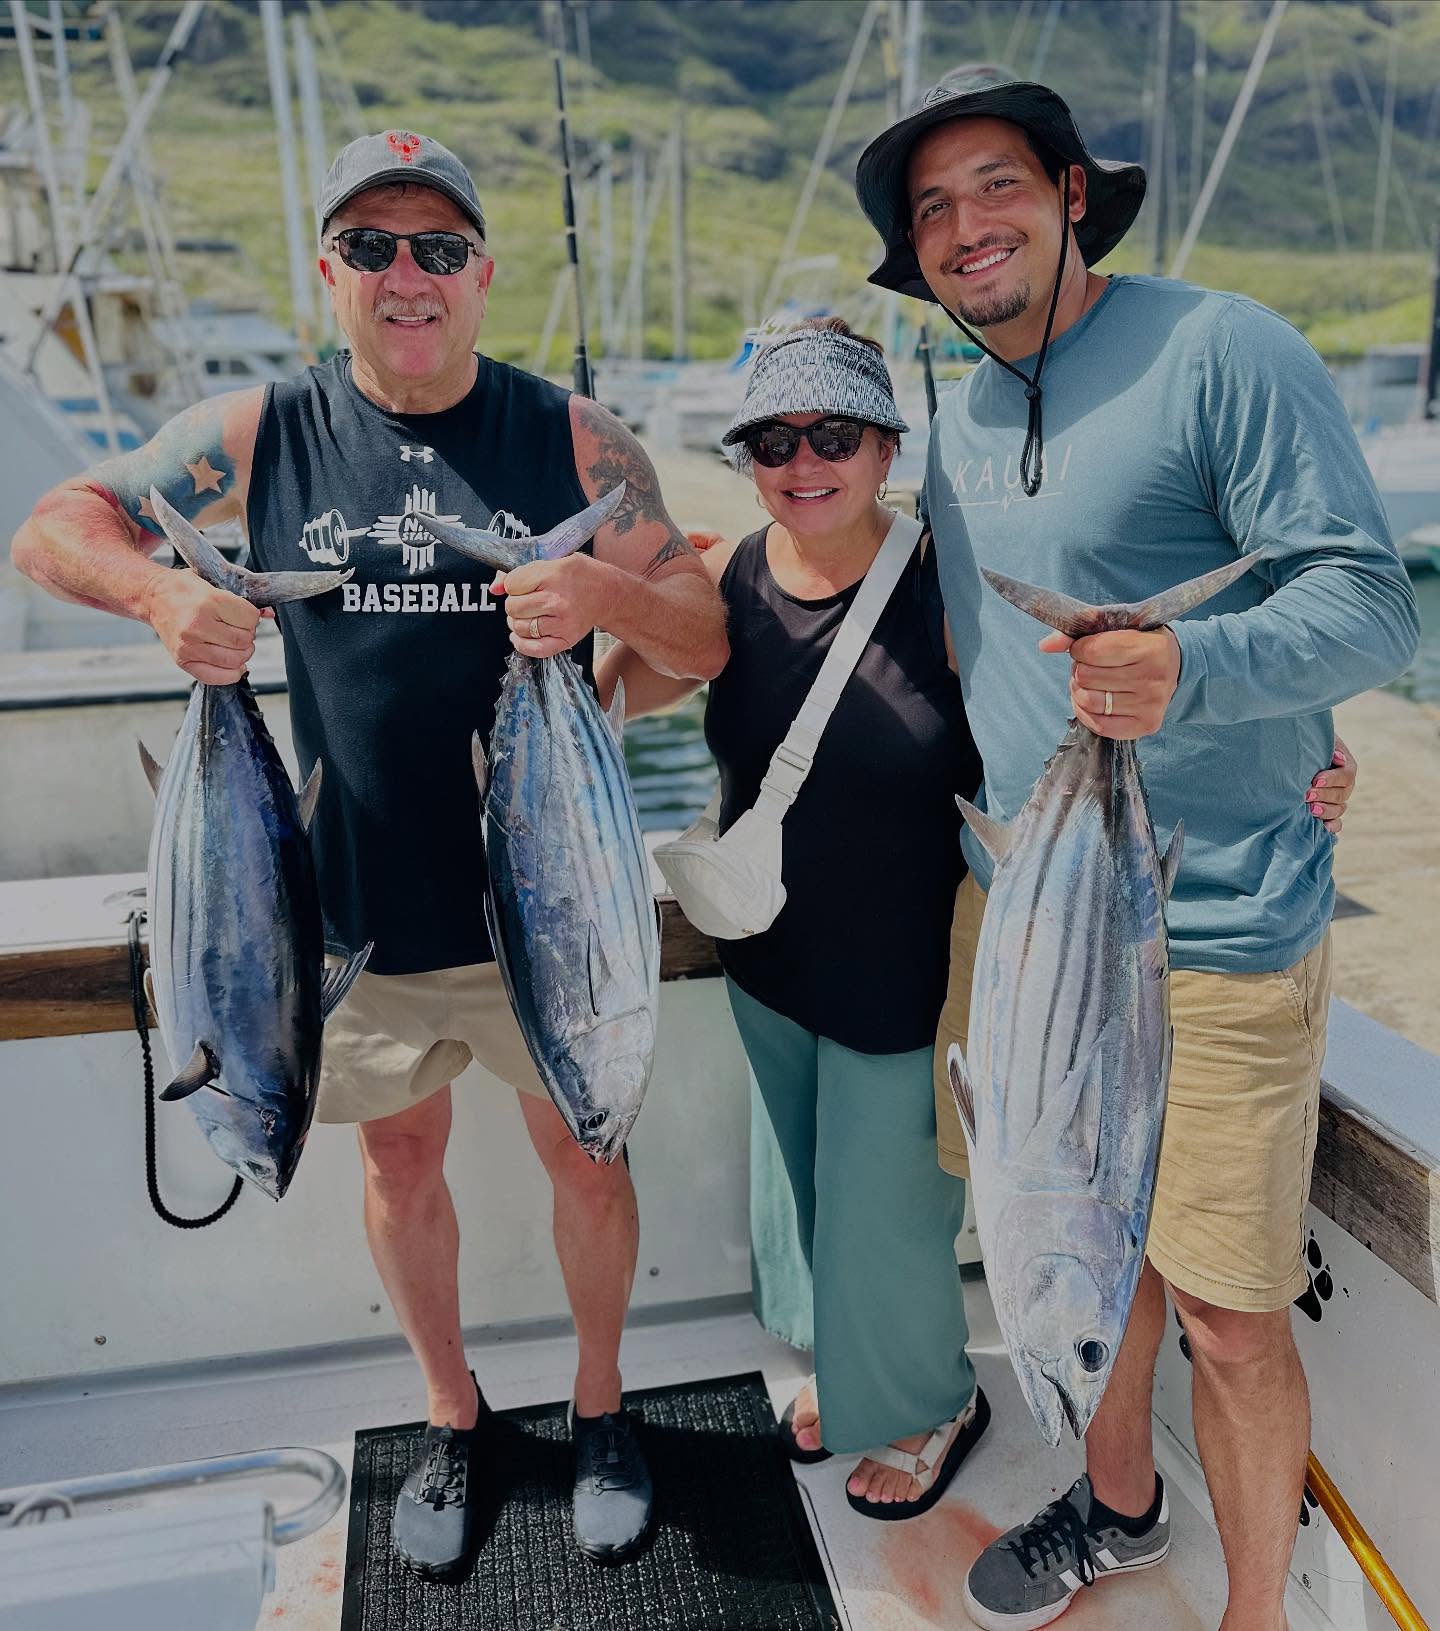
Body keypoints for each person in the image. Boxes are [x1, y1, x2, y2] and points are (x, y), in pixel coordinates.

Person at [12, 129, 726, 1578]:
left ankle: (599, 1407)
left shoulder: (577, 440)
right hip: (340, 914)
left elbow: (702, 632)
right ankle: (450, 1413)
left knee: (590, 1152)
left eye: (441, 247)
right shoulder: (263, 431)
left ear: (483, 272)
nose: (411, 275)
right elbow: (52, 526)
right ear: (329, 270)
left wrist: (605, 588)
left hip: (559, 905)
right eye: (377, 247)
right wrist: (164, 600)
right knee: (400, 1163)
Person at [854, 66, 1418, 1630]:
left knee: (1231, 1316)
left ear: (1071, 194)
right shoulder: (955, 413)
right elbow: (978, 662)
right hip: (1030, 919)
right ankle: (1116, 1503)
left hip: (1221, 929)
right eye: (935, 208)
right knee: (1073, 1252)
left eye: (999, 187)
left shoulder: (1219, 347)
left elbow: (1371, 598)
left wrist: (1207, 677)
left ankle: (1254, 1611)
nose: (970, 226)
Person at [599, 318, 991, 1517]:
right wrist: (594, 622)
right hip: (767, 953)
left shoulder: (948, 582)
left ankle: (932, 1399)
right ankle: (861, 1366)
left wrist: (1305, 759)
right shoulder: (726, 579)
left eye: (834, 433)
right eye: (776, 437)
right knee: (822, 1188)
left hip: (905, 967)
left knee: (892, 1205)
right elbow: (634, 683)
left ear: (885, 447)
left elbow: (1073, 710)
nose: (804, 458)